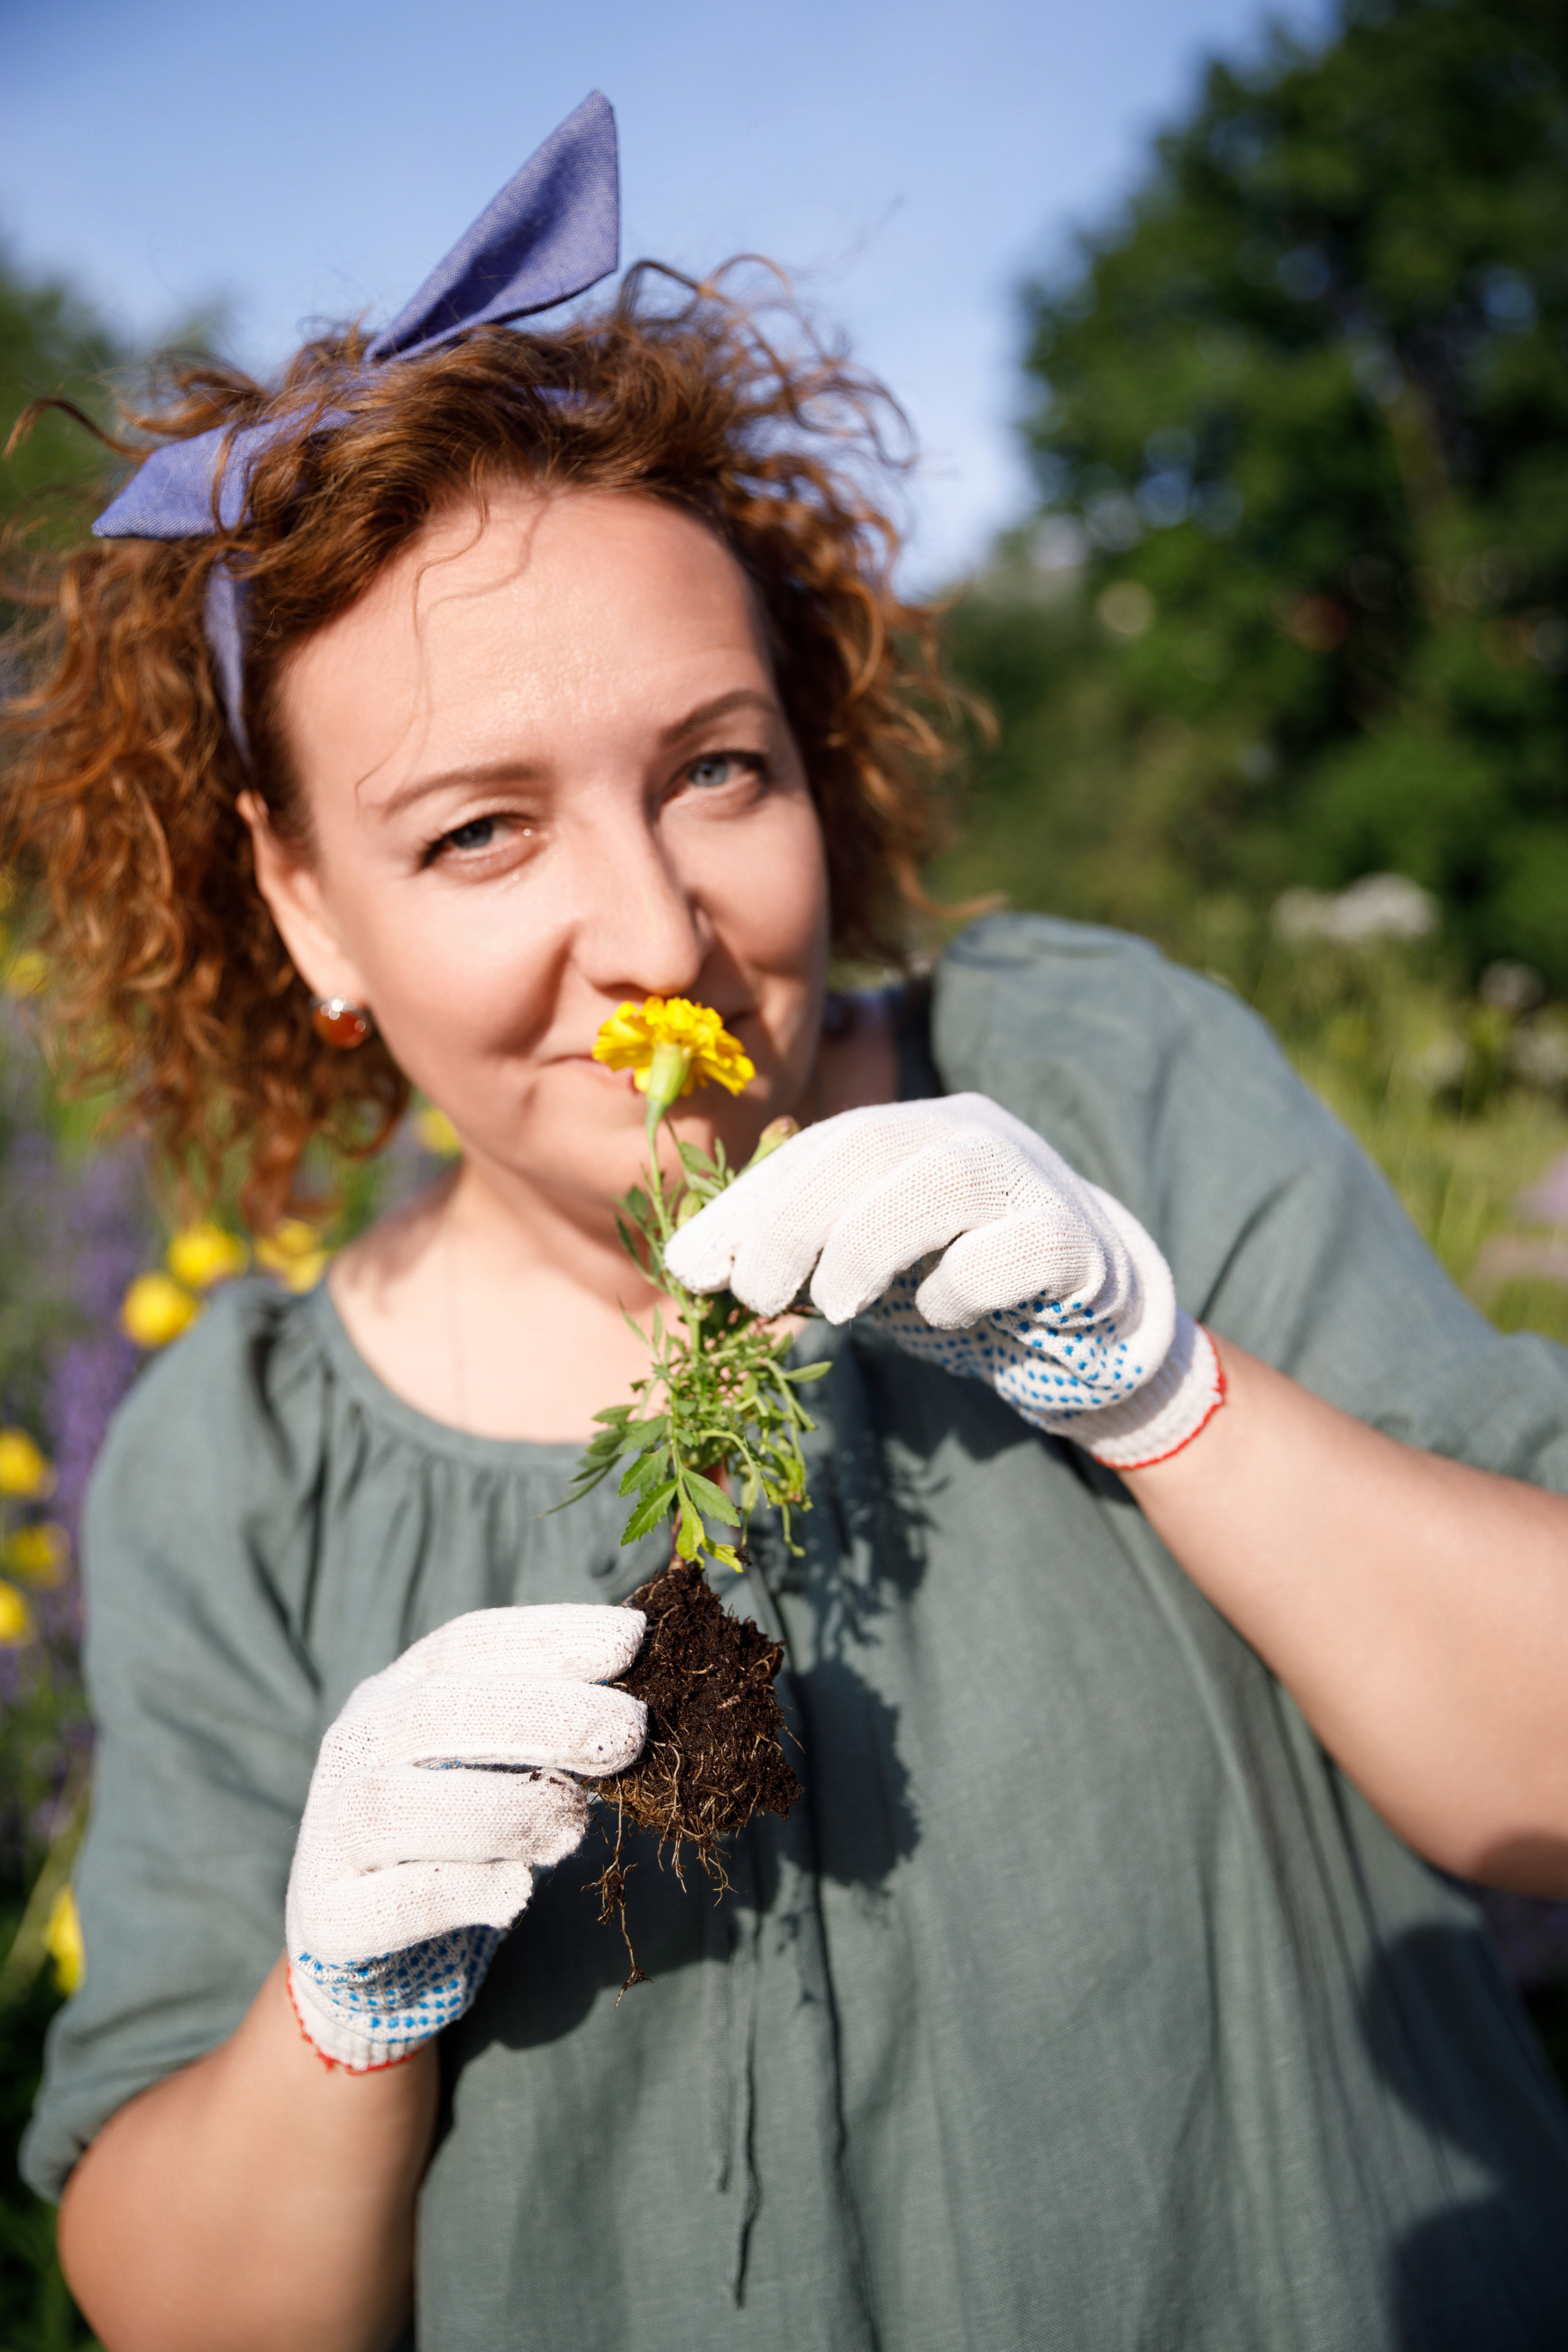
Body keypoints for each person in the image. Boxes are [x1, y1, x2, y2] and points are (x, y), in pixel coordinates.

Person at [7, 91, 1568, 2352]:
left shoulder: (1090, 1082)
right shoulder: (239, 1466)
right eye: (476, 835)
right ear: (299, 904)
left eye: (714, 767)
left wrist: (1158, 1383)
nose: (657, 931)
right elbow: (191, 2307)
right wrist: (338, 2006)